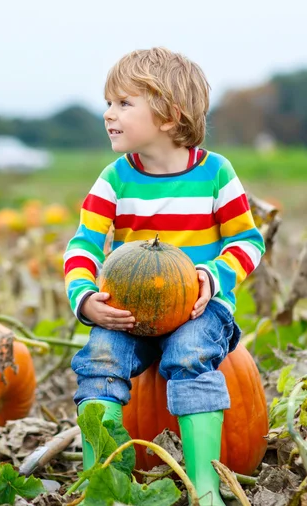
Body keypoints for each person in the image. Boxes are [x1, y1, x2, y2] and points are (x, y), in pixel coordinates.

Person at [64, 47, 265, 505]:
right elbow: (84, 245)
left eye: (123, 103)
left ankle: (206, 488)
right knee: (98, 361)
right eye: (108, 103)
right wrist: (85, 296)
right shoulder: (115, 179)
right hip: (130, 313)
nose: (108, 114)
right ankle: (105, 483)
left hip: (198, 310)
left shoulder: (216, 174)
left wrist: (212, 279)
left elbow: (249, 242)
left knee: (192, 353)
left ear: (170, 116)